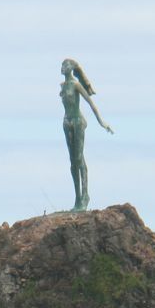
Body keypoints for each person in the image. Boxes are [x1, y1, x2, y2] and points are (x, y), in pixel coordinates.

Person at [60, 58, 113, 211]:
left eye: (66, 65)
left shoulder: (76, 85)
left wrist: (101, 122)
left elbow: (89, 102)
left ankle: (85, 196)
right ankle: (77, 198)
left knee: (78, 159)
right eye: (62, 65)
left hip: (77, 122)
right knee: (73, 161)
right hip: (67, 122)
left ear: (72, 68)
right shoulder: (63, 86)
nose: (63, 67)